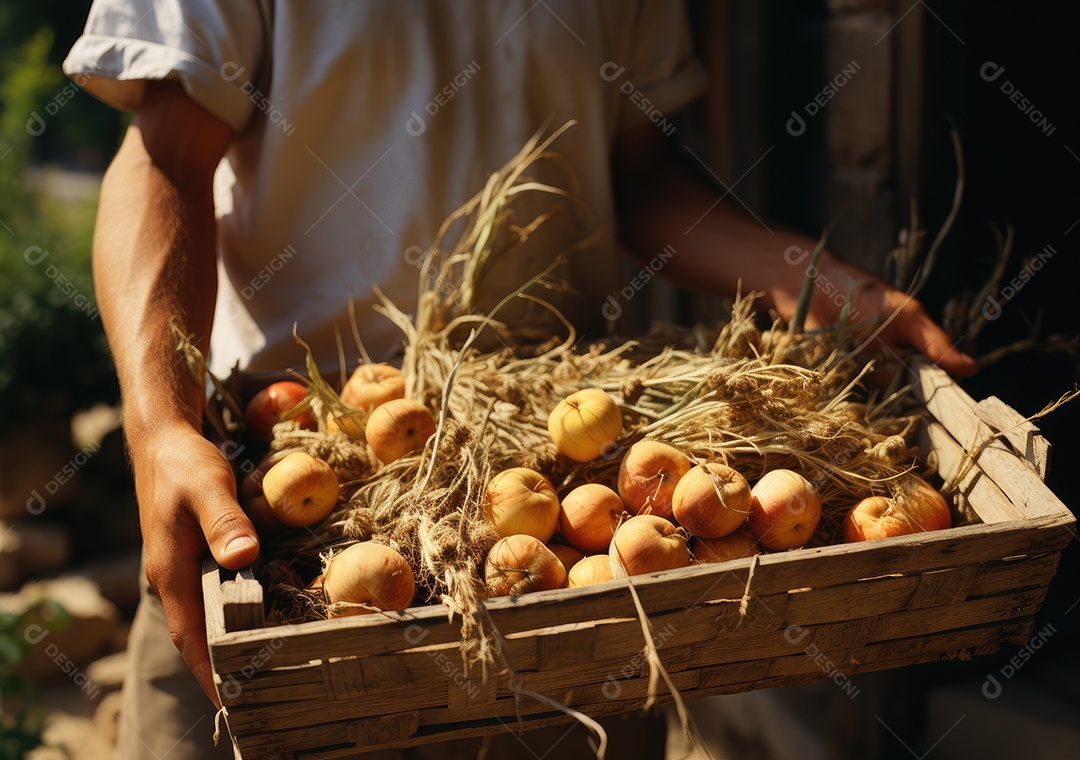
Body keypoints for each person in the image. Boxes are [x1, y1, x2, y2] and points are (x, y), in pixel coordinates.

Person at [64, 2, 976, 758]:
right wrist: (157, 427)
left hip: (548, 488)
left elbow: (639, 175)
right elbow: (165, 156)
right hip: (291, 468)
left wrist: (804, 275)